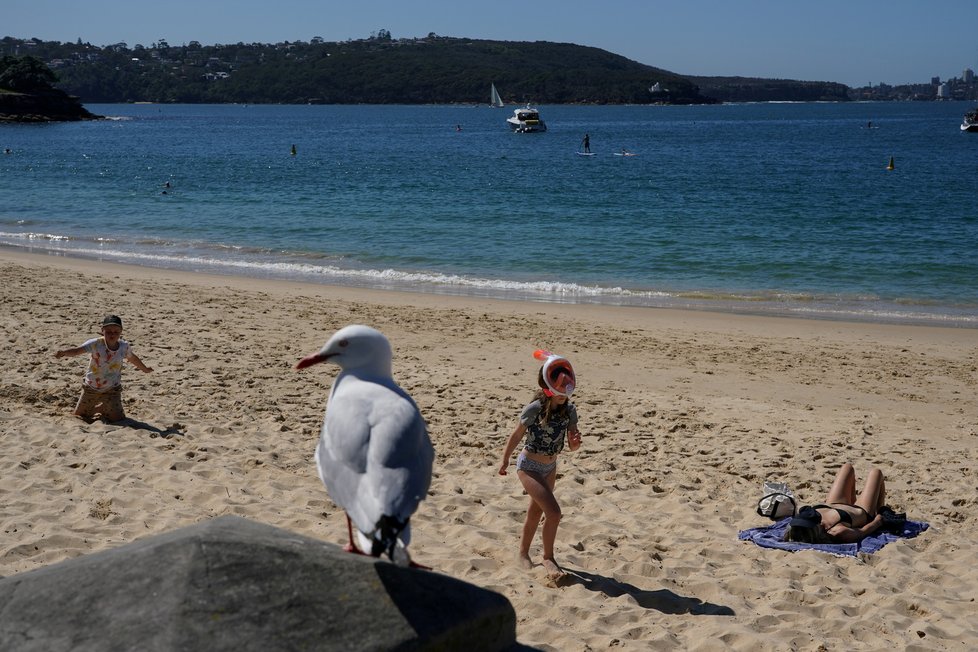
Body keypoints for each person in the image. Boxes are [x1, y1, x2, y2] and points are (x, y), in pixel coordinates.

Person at [499, 350, 582, 578]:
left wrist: (575, 443)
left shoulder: (570, 411)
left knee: (535, 513)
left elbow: (573, 445)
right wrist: (506, 459)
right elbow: (517, 435)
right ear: (548, 387)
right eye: (559, 392)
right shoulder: (535, 408)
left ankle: (523, 553)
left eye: (566, 393)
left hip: (550, 468)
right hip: (529, 466)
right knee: (554, 513)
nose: (563, 397)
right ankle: (548, 557)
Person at [54, 315, 153, 422]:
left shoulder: (124, 347)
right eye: (109, 331)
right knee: (79, 416)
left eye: (116, 332)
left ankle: (104, 408)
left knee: (118, 419)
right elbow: (77, 351)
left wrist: (144, 369)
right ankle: (97, 408)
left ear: (121, 332)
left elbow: (133, 358)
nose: (112, 334)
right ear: (102, 331)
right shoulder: (96, 343)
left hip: (112, 389)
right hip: (91, 387)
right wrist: (64, 353)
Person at [784, 463, 888, 544]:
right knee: (876, 473)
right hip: (861, 510)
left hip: (834, 503)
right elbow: (861, 532)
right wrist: (878, 521)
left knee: (847, 467)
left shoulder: (803, 519)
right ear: (816, 528)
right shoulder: (837, 531)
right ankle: (880, 508)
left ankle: (854, 500)